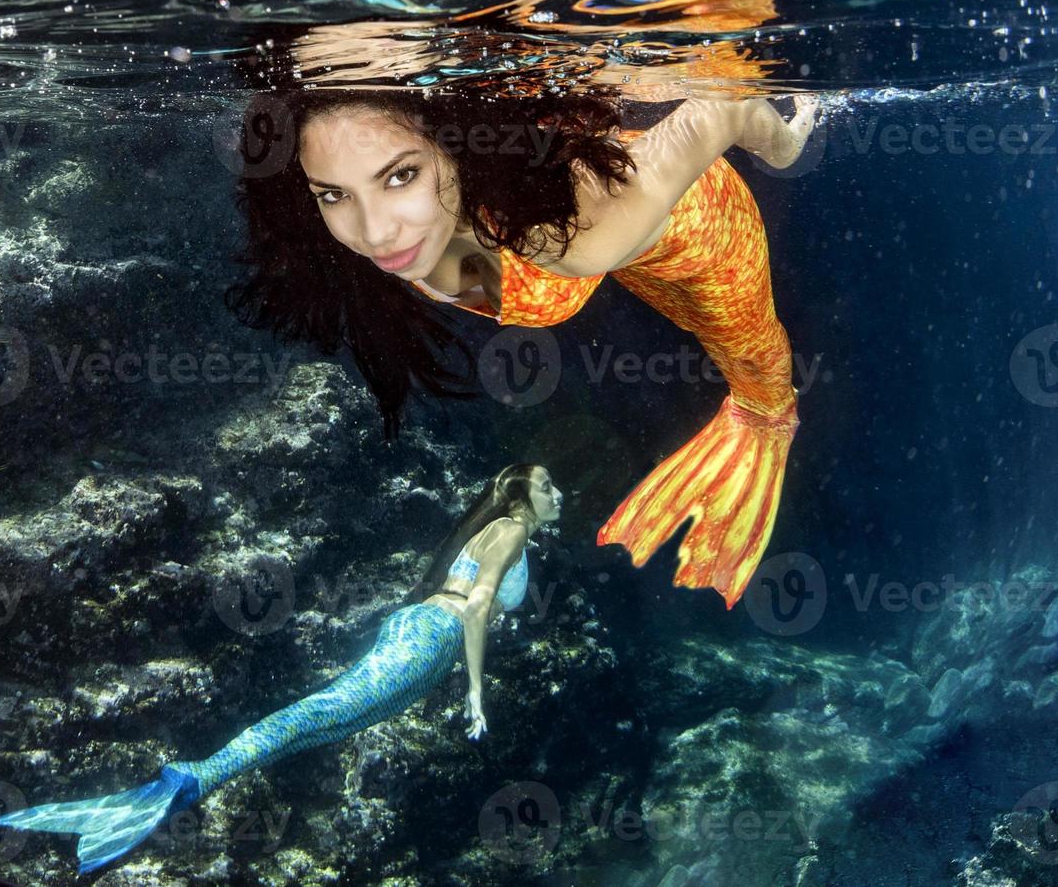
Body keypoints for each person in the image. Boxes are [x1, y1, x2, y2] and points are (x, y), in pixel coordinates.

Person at [224, 85, 817, 611]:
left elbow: (730, 104)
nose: (374, 232)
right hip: (604, 238)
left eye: (400, 175)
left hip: (700, 230)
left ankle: (764, 422)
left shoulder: (585, 224)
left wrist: (787, 147)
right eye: (333, 195)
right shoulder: (400, 232)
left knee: (761, 386)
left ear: (451, 150)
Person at [0, 465, 564, 874]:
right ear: (517, 498)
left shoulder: (507, 530)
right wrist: (476, 689)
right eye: (545, 485)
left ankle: (184, 788)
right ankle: (184, 780)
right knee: (320, 714)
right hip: (432, 634)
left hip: (423, 635)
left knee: (328, 725)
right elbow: (480, 603)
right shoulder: (512, 528)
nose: (556, 492)